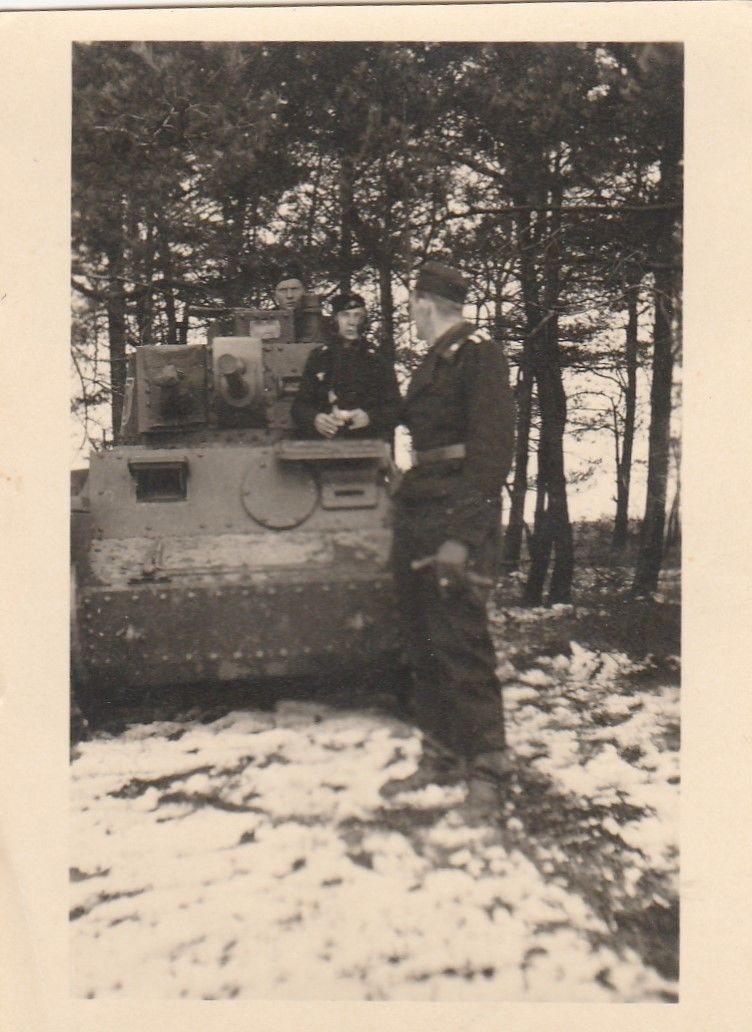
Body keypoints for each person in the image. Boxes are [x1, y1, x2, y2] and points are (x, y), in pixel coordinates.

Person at [385, 260, 516, 815]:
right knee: (424, 642)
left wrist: (463, 537)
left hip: (455, 514)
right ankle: (440, 754)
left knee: (461, 641)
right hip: (420, 510)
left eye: (412, 308)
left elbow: (491, 454)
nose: (410, 318)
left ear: (425, 304)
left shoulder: (478, 354)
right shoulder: (434, 360)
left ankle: (488, 767)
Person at [291, 292, 400, 442]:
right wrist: (315, 419)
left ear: (364, 320)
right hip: (324, 446)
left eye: (357, 315)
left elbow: (395, 407)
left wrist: (369, 417)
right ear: (335, 319)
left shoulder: (377, 359)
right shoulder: (320, 357)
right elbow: (299, 406)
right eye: (345, 315)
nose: (352, 322)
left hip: (367, 444)